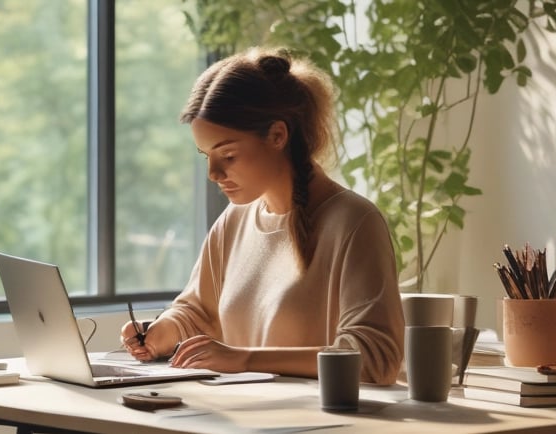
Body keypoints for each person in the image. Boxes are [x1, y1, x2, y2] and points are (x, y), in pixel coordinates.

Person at [120, 47, 404, 385]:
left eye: (227, 154)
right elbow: (197, 312)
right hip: (237, 417)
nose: (213, 173)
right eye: (205, 155)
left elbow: (376, 357)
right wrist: (159, 332)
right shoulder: (235, 220)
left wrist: (245, 359)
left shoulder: (354, 223)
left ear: (277, 135)